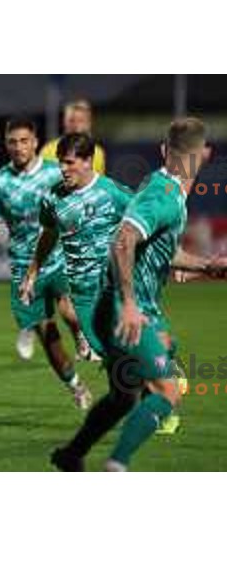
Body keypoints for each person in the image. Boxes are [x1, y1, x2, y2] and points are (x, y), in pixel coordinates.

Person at [50, 117, 225, 471]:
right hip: (124, 309)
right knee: (167, 391)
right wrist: (128, 303)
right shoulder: (164, 197)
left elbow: (156, 246)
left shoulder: (161, 188)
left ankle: (71, 455)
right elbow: (123, 240)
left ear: (164, 151)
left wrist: (206, 265)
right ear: (203, 156)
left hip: (113, 306)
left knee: (123, 397)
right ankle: (116, 465)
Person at [21, 132, 183, 436]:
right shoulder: (52, 198)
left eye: (69, 163)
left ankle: (164, 395)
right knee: (113, 358)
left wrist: (168, 261)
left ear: (86, 161)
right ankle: (161, 367)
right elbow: (49, 235)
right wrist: (33, 271)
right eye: (60, 164)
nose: (64, 169)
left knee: (124, 353)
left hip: (111, 289)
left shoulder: (113, 193)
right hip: (81, 296)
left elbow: (147, 229)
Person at [0, 116, 93, 410]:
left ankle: (83, 335)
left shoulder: (55, 173)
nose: (18, 147)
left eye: (24, 141)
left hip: (58, 255)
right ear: (6, 144)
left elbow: (80, 196)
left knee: (69, 308)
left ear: (35, 143)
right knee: (47, 335)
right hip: (23, 266)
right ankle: (75, 386)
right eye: (12, 142)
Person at [40, 99, 106, 174]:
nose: (76, 125)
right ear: (64, 122)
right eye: (72, 120)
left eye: (81, 121)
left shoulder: (97, 152)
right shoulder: (48, 150)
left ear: (89, 123)